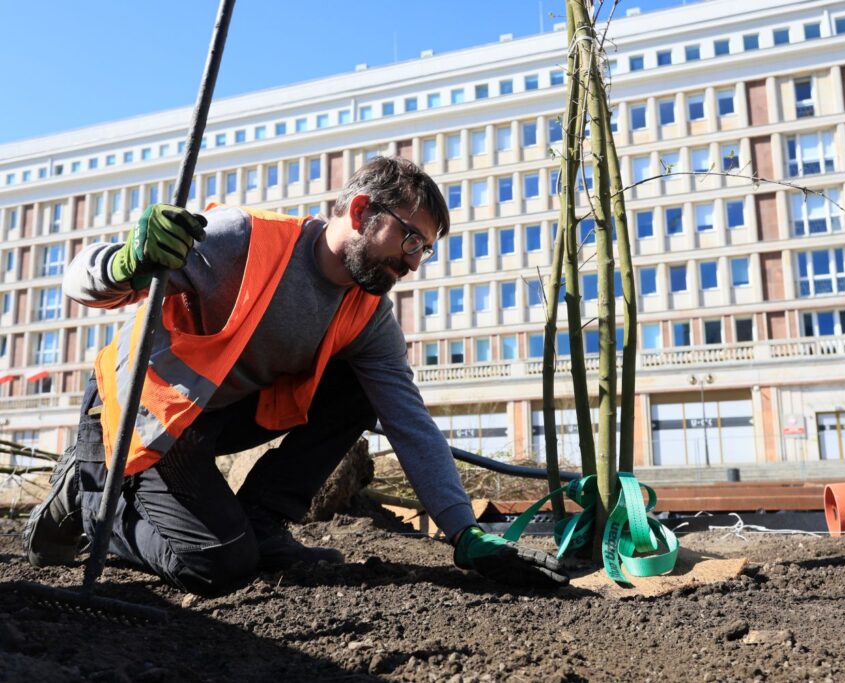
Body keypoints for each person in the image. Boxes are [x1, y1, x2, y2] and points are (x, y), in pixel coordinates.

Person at [24, 156, 567, 595]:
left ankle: (261, 520)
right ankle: (95, 500)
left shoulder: (368, 312)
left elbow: (409, 419)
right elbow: (79, 282)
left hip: (213, 417)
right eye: (409, 241)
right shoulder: (242, 240)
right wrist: (126, 261)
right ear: (360, 211)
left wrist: (463, 531)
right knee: (216, 567)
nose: (414, 263)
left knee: (361, 389)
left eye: (424, 248)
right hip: (139, 410)